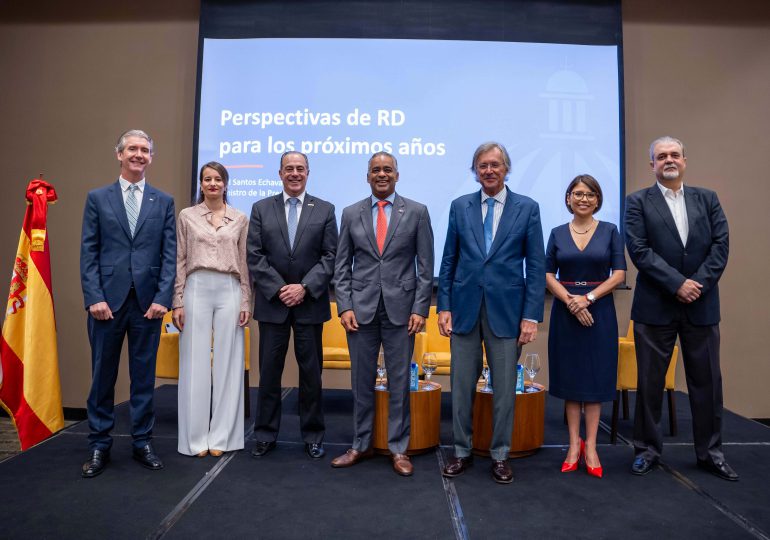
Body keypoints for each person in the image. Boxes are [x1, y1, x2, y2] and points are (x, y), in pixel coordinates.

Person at [625, 136, 737, 481]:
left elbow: (721, 245)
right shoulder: (637, 202)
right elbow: (639, 251)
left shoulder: (708, 199)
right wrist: (677, 284)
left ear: (685, 160)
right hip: (655, 307)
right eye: (661, 156)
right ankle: (647, 450)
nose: (669, 160)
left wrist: (696, 285)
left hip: (701, 305)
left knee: (708, 384)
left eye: (674, 155)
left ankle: (710, 453)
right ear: (652, 165)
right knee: (649, 384)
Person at [437, 141, 545, 484]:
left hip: (507, 314)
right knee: (462, 386)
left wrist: (531, 316)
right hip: (465, 310)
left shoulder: (527, 208)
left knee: (503, 392)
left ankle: (500, 455)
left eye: (495, 165)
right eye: (482, 165)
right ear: (475, 171)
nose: (489, 170)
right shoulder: (460, 206)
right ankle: (461, 452)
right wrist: (444, 307)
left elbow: (536, 266)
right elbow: (449, 260)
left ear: (506, 169)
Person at [79, 129, 176, 478]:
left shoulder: (162, 201)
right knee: (102, 378)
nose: (138, 154)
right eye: (132, 149)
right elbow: (88, 252)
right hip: (107, 305)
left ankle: (142, 442)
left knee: (143, 378)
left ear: (151, 157)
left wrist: (163, 299)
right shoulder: (98, 198)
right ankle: (99, 444)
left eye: (145, 150)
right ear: (119, 154)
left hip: (148, 306)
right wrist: (95, 298)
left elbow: (169, 255)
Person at [330, 152, 434, 476]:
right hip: (359, 312)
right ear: (368, 176)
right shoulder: (350, 214)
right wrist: (344, 306)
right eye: (376, 170)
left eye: (387, 169)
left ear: (397, 175)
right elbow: (341, 268)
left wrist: (420, 308)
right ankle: (360, 444)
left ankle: (399, 449)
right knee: (361, 382)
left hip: (402, 312)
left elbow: (426, 268)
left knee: (399, 382)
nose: (381, 174)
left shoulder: (417, 212)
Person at [247, 151, 337, 460]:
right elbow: (255, 255)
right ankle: (265, 434)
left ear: (308, 172)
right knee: (269, 373)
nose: (294, 173)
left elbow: (330, 257)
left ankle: (313, 435)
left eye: (300, 168)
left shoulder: (325, 209)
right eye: (289, 169)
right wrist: (280, 288)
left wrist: (304, 288)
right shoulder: (261, 208)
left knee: (311, 374)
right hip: (273, 304)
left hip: (309, 304)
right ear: (280, 173)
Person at [545, 174, 626, 479]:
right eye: (577, 193)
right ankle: (572, 446)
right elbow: (547, 273)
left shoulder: (609, 231)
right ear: (568, 198)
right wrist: (571, 301)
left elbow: (619, 274)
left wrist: (588, 299)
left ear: (597, 200)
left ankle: (591, 446)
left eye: (589, 194)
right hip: (567, 313)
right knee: (571, 382)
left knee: (594, 383)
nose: (583, 198)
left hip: (600, 312)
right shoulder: (556, 233)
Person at [172, 162, 251, 457]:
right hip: (196, 286)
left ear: (226, 184)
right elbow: (180, 258)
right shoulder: (186, 216)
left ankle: (222, 437)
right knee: (194, 362)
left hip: (230, 287)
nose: (213, 183)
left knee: (229, 363)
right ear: (201, 184)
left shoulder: (240, 218)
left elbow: (244, 263)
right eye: (207, 179)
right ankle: (194, 440)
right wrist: (177, 300)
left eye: (218, 179)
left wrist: (246, 300)